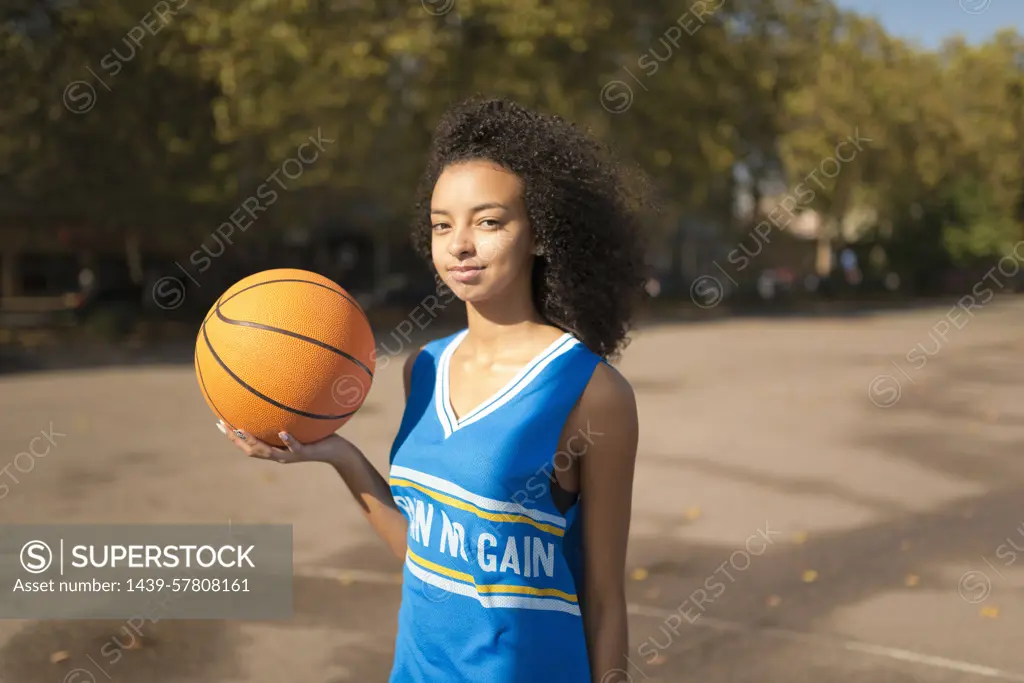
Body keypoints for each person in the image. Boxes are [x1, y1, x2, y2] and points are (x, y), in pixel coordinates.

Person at [218, 96, 648, 683]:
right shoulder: (423, 367)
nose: (459, 244)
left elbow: (603, 600)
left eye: (488, 221)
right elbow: (425, 557)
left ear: (541, 234)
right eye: (443, 224)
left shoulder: (591, 391)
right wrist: (337, 453)